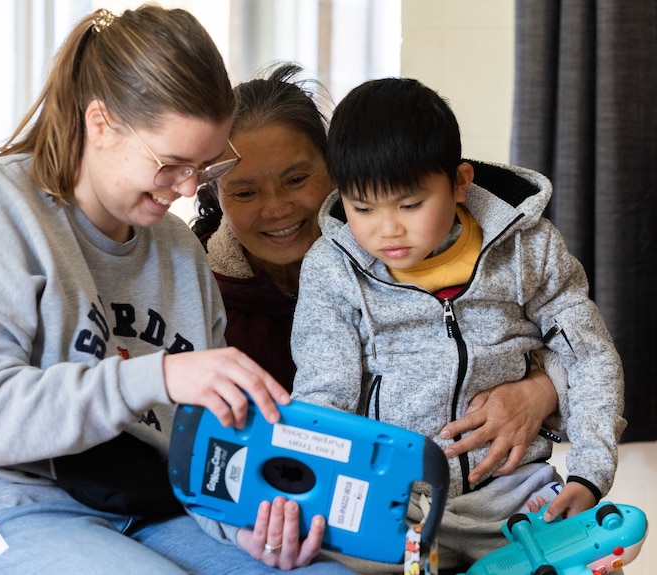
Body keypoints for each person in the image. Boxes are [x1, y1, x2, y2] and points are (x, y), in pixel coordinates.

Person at [0, 8, 354, 575]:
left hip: (135, 506)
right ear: (101, 123)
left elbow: (202, 447)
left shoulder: (178, 252)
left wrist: (247, 530)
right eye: (171, 164)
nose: (189, 190)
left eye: (206, 166)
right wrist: (157, 375)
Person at [290, 77, 627, 572]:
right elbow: (323, 395)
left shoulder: (527, 250)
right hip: (401, 498)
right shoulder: (332, 268)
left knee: (603, 556)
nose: (387, 230)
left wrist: (590, 474)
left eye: (409, 205)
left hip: (514, 489)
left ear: (460, 182)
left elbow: (589, 353)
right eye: (363, 208)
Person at [194, 62, 565, 487]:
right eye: (244, 192)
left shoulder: (441, 250)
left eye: (296, 179)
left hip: (477, 493)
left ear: (340, 171)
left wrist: (540, 390)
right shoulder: (202, 296)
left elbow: (574, 342)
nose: (277, 207)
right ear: (214, 193)